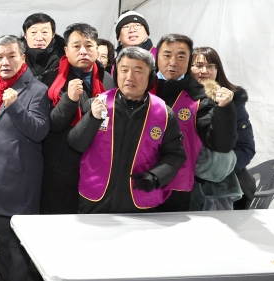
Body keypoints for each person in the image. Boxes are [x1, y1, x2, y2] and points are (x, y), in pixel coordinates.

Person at [68, 47, 186, 214]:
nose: (130, 77)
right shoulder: (97, 103)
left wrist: (156, 176)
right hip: (96, 196)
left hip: (140, 197)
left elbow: (175, 154)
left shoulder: (164, 113)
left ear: (150, 77)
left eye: (138, 71)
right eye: (124, 70)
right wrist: (92, 118)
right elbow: (76, 144)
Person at [0, 35, 50, 281]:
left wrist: (15, 107)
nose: (5, 62)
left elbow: (39, 131)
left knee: (18, 246)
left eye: (11, 56)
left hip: (20, 181)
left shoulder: (37, 90)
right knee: (3, 241)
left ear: (23, 57)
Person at [154, 34, 237, 212]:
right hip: (138, 180)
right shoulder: (141, 89)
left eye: (181, 56)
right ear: (157, 57)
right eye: (167, 55)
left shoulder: (200, 99)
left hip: (178, 187)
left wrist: (224, 109)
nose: (173, 62)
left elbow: (220, 144)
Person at [41, 23, 114, 215]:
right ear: (66, 50)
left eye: (88, 45)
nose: (83, 51)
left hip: (98, 165)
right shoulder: (52, 79)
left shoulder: (108, 79)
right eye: (76, 46)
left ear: (97, 48)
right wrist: (70, 99)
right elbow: (53, 124)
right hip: (62, 166)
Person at [191, 46, 256, 210]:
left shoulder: (232, 101)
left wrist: (219, 168)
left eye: (210, 66)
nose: (204, 70)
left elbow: (246, 147)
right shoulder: (178, 99)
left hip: (226, 184)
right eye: (198, 65)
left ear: (217, 70)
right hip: (185, 183)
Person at [21, 13, 66, 87]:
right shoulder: (14, 58)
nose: (39, 38)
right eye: (33, 32)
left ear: (53, 34)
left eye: (44, 32)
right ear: (25, 35)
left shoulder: (65, 58)